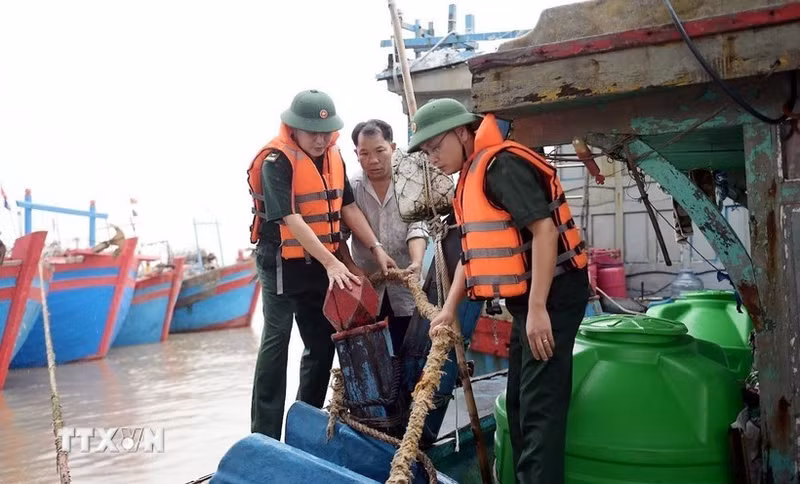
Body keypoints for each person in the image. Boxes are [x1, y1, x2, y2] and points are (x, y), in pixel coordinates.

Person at [406, 98, 590, 483]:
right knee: (521, 407)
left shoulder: (501, 166)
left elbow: (544, 229)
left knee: (540, 412)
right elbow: (471, 253)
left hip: (553, 295)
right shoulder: (472, 173)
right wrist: (449, 308)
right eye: (426, 152)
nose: (433, 158)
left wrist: (539, 308)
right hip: (529, 301)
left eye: (436, 146)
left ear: (461, 131)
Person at [246, 89, 397, 440]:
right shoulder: (276, 161)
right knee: (277, 339)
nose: (319, 138)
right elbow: (289, 217)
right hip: (282, 261)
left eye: (325, 132)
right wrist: (333, 264)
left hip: (318, 262)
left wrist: (375, 249)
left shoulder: (334, 157)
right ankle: (263, 435)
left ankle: (305, 422)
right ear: (293, 128)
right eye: (311, 131)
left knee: (321, 341)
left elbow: (347, 207)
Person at [338, 119, 428, 352]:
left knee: (409, 351)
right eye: (364, 153)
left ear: (393, 147)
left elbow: (417, 227)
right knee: (372, 353)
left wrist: (417, 263)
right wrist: (351, 268)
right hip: (368, 285)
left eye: (380, 151)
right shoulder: (352, 187)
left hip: (406, 284)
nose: (373, 160)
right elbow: (338, 235)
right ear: (356, 154)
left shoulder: (410, 181)